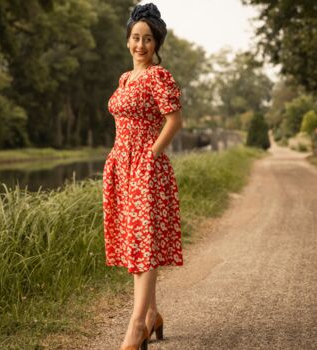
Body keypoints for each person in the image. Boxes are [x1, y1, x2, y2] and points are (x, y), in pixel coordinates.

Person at [102, 3, 184, 349]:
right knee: (133, 240)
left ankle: (137, 325)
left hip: (146, 166)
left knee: (144, 243)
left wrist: (151, 155)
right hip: (121, 164)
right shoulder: (125, 78)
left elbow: (175, 121)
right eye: (135, 38)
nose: (140, 45)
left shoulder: (158, 76)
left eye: (147, 39)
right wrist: (119, 158)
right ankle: (152, 315)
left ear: (156, 43)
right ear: (127, 41)